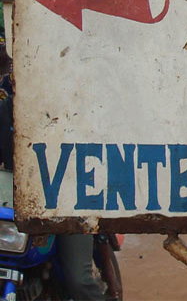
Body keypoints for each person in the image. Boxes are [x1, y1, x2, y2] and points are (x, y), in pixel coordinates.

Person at [0, 45, 107, 300]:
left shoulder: (70, 111)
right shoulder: (6, 111)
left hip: (68, 201)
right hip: (21, 204)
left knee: (77, 280)